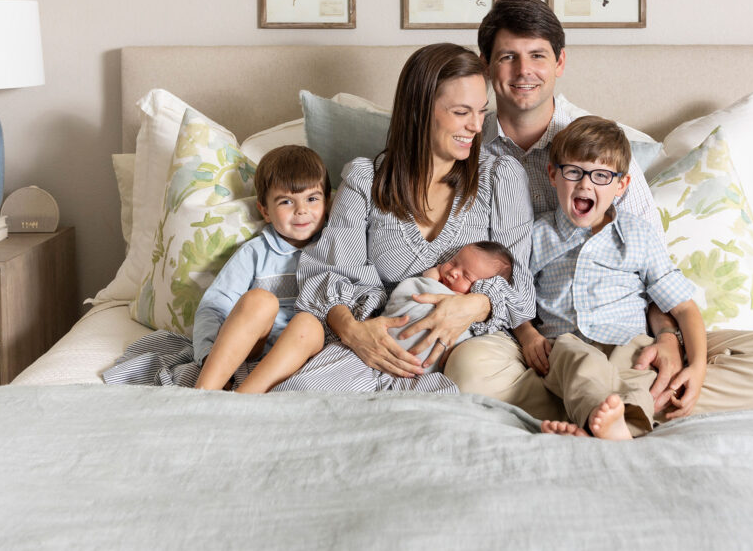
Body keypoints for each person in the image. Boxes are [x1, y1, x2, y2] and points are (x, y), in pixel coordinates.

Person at [444, 0, 753, 421]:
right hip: (538, 340)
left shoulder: (602, 150)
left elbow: (652, 272)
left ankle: (599, 406)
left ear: (559, 63)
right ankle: (626, 408)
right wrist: (523, 331)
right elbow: (480, 267)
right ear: (486, 64)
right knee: (466, 372)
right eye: (508, 57)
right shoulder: (462, 144)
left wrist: (668, 339)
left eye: (537, 55)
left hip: (628, 336)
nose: (524, 72)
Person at [278, 43, 535, 393]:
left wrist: (473, 304)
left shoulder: (500, 177)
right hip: (379, 343)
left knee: (467, 387)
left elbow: (521, 287)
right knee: (302, 393)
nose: (476, 126)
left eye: (481, 111)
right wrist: (355, 334)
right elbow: (329, 276)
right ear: (419, 111)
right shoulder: (364, 179)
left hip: (470, 346)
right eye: (462, 112)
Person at [516, 116, 708, 440]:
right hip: (568, 345)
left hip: (629, 346)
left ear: (621, 186)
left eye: (601, 175)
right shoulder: (536, 236)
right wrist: (526, 335)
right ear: (552, 175)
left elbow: (684, 308)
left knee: (643, 381)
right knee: (577, 361)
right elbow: (514, 298)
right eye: (574, 172)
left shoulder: (638, 235)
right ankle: (603, 423)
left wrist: (698, 366)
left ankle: (604, 428)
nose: (585, 185)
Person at [273, 241, 515, 394]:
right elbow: (406, 298)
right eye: (453, 262)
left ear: (482, 288)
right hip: (369, 352)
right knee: (312, 386)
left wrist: (477, 304)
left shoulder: (480, 311)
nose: (452, 273)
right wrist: (429, 281)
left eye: (467, 276)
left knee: (445, 399)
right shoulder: (428, 283)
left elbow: (504, 312)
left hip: (419, 376)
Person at [191, 144, 330, 394]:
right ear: (265, 210)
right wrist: (207, 353)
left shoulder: (336, 248)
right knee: (260, 301)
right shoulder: (255, 252)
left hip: (298, 354)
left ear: (327, 203)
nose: (301, 210)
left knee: (308, 324)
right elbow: (214, 305)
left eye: (312, 199)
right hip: (251, 348)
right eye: (287, 201)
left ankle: (244, 398)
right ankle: (204, 392)